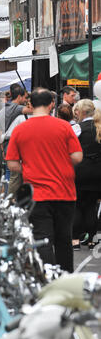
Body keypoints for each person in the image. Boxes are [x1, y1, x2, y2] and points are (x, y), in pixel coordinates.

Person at [6, 88, 83, 273]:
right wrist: (61, 161)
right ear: (51, 105)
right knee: (64, 239)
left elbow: (11, 163)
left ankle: (48, 277)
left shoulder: (20, 129)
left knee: (42, 238)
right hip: (64, 192)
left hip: (36, 194)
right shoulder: (64, 126)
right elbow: (78, 156)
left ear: (30, 104)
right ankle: (65, 277)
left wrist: (30, 167)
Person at [72, 99, 101, 251]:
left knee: (77, 205)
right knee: (91, 206)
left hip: (80, 170)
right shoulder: (99, 128)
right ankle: (91, 240)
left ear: (82, 111)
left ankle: (75, 240)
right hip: (97, 172)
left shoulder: (77, 128)